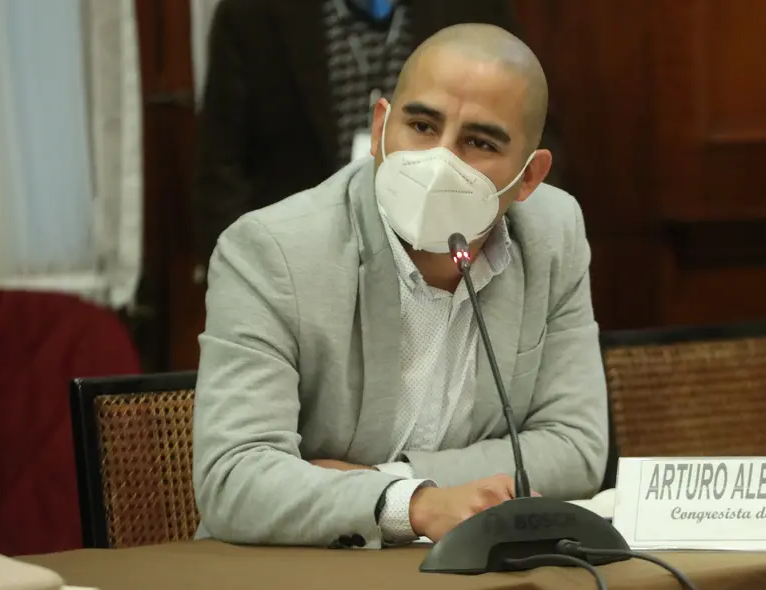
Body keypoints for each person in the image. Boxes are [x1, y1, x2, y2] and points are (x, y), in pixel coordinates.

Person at [192, 23, 607, 550]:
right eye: (422, 125)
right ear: (381, 125)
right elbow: (233, 477)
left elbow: (576, 448)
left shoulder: (553, 232)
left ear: (529, 177)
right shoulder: (272, 251)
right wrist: (415, 505)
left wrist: (391, 480)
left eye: (479, 141)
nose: (442, 160)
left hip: (462, 563)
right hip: (299, 569)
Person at [191, 0, 567, 270]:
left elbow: (528, 130)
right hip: (306, 258)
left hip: (443, 251)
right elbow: (221, 165)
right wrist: (243, 268)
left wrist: (504, 253)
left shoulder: (472, 8)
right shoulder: (251, 14)